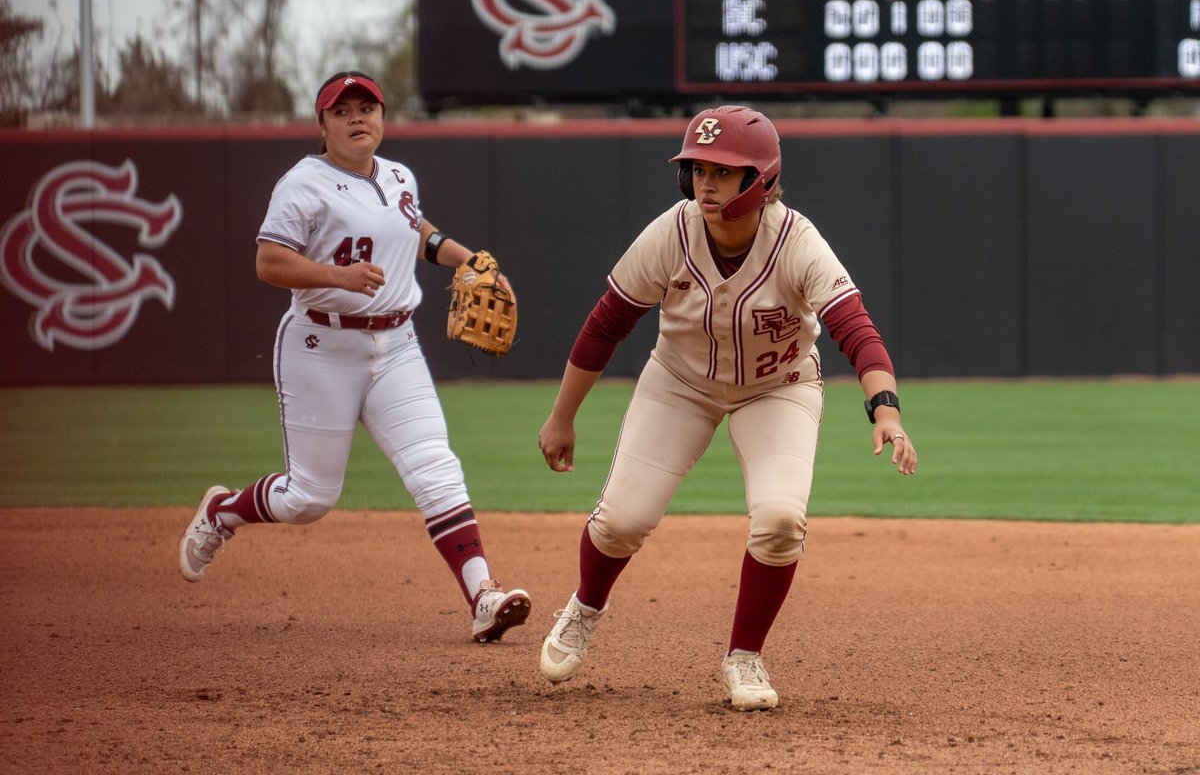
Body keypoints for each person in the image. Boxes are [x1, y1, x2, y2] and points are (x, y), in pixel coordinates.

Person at [535, 105, 918, 710]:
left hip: (779, 386)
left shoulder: (796, 241)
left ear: (759, 180)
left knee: (780, 520)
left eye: (723, 170)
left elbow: (854, 328)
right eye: (697, 169)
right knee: (621, 522)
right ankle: (585, 606)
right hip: (680, 382)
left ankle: (744, 656)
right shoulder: (672, 232)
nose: (706, 183)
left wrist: (885, 410)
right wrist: (563, 415)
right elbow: (605, 324)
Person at [178, 71, 531, 644]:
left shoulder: (397, 176)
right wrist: (336, 275)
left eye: (368, 108)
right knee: (310, 498)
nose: (357, 118)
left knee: (437, 470)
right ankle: (223, 512)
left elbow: (415, 227)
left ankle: (483, 597)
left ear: (384, 118)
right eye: (343, 112)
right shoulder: (303, 185)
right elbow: (269, 262)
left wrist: (468, 259)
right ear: (323, 125)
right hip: (321, 345)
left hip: (397, 346)